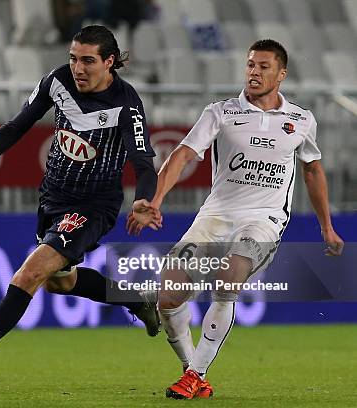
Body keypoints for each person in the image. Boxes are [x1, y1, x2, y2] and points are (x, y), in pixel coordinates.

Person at [0, 25, 162, 392]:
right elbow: (14, 127)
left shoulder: (127, 104)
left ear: (110, 62)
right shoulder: (57, 81)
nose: (77, 68)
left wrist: (144, 199)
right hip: (53, 199)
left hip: (93, 205)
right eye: (73, 58)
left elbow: (144, 163)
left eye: (87, 61)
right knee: (61, 282)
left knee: (29, 274)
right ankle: (136, 299)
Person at [129, 39, 344, 399]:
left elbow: (312, 171)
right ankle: (190, 369)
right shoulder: (221, 112)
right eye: (250, 65)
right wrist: (156, 199)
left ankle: (196, 372)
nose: (254, 72)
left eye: (263, 66)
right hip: (215, 217)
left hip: (264, 220)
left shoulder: (301, 120)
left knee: (230, 275)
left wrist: (326, 226)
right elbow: (182, 154)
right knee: (169, 294)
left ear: (281, 73)